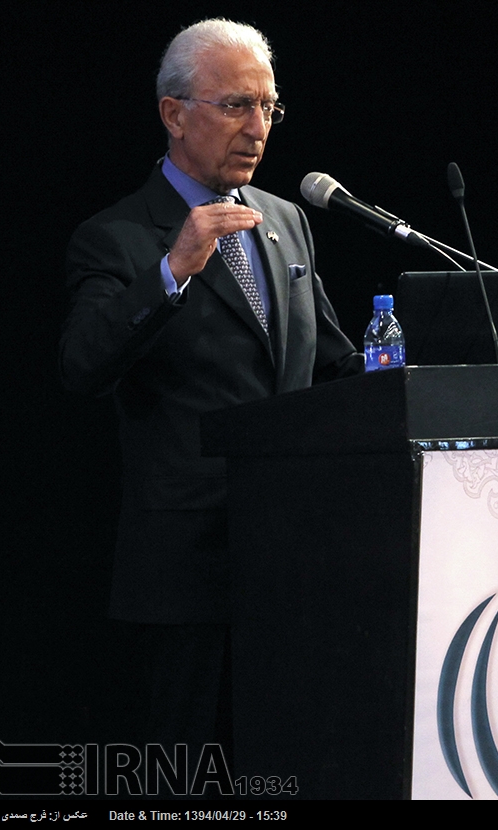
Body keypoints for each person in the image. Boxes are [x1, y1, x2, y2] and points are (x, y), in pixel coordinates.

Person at [60, 19, 362, 754]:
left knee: (285, 758)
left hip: (291, 558)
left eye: (268, 107)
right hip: (185, 571)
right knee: (188, 770)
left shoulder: (286, 221)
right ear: (174, 114)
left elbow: (332, 365)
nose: (257, 128)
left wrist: (411, 372)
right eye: (236, 106)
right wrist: (173, 270)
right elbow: (83, 367)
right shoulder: (118, 236)